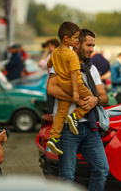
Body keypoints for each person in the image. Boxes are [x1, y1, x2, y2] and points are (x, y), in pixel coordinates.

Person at [47, 29, 109, 191]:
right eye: (88, 45)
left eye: (93, 46)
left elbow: (104, 96)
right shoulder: (62, 62)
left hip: (89, 127)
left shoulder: (92, 69)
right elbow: (51, 89)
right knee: (67, 176)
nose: (92, 49)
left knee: (102, 169)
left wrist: (96, 100)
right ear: (77, 44)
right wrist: (78, 100)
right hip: (67, 129)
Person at [46, 21, 97, 155]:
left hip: (62, 85)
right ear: (66, 38)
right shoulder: (71, 55)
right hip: (76, 85)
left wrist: (56, 65)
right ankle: (75, 116)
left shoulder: (55, 52)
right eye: (75, 38)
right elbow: (74, 73)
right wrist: (76, 92)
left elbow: (48, 64)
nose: (76, 41)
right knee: (92, 99)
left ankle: (53, 138)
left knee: (62, 113)